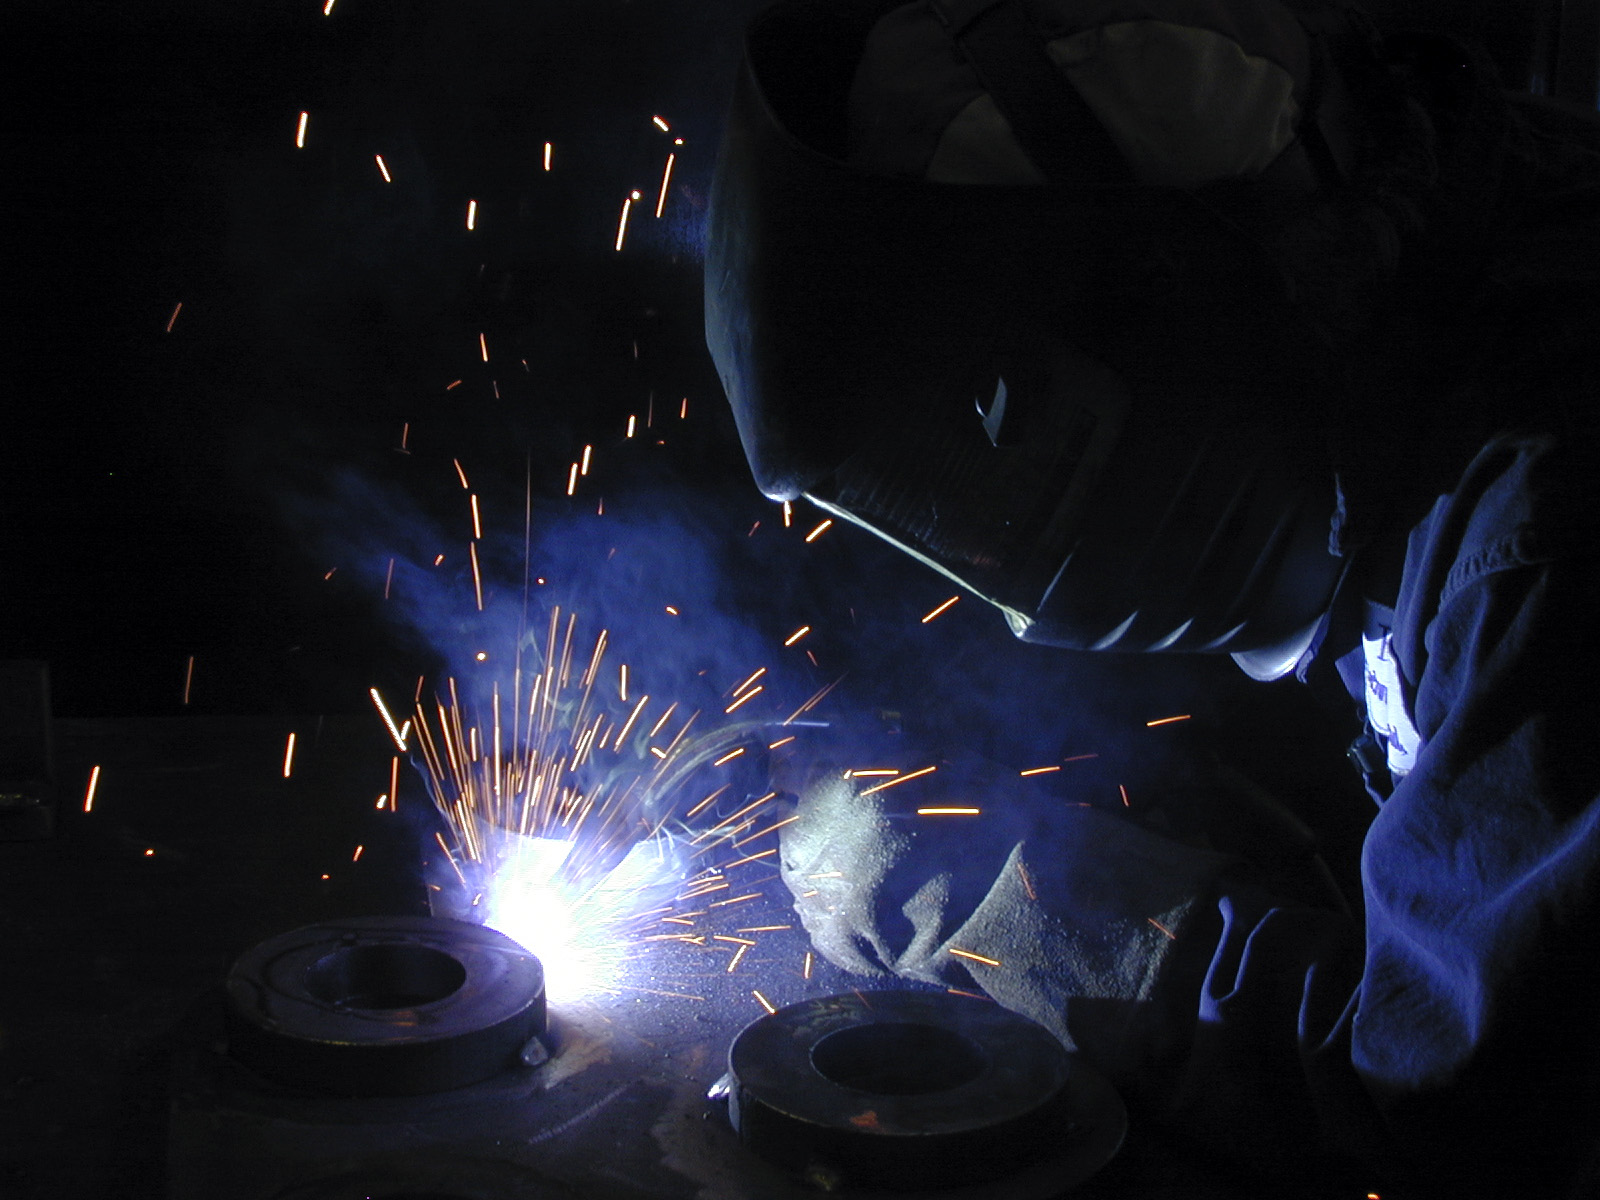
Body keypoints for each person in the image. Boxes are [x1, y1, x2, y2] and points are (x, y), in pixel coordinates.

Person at [702, 1, 1600, 1196]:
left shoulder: (1540, 533)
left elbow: (1443, 1113)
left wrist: (991, 899)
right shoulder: (1396, 283)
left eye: (1016, 446)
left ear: (1201, 302)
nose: (1003, 586)